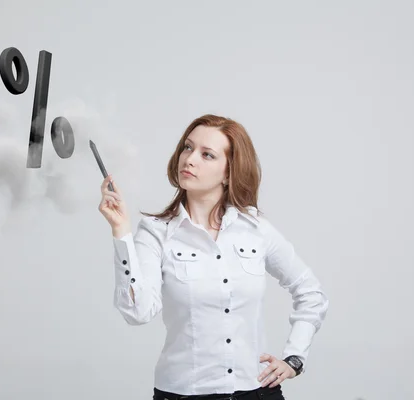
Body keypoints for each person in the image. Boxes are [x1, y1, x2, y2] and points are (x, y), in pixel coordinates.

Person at [98, 114, 329, 400]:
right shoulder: (157, 232)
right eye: (187, 147)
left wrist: (295, 358)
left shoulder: (255, 229)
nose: (190, 159)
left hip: (256, 393)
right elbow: (138, 312)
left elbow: (310, 292)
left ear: (229, 172)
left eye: (207, 155)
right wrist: (121, 232)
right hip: (184, 395)